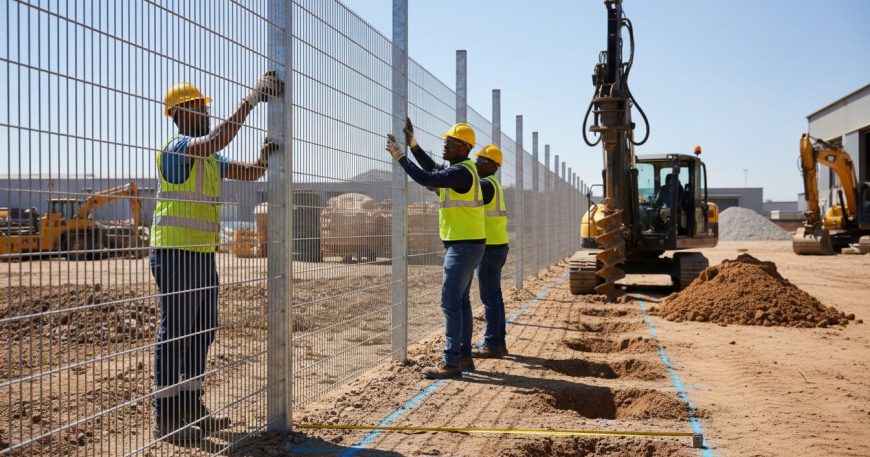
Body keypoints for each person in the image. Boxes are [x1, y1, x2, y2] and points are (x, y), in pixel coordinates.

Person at [151, 72, 283, 443]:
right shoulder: (178, 149)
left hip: (201, 255)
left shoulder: (210, 157)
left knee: (203, 330)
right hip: (174, 253)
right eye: (199, 108)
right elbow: (214, 141)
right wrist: (252, 99)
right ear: (180, 113)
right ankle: (166, 417)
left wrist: (263, 157)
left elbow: (251, 172)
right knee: (175, 331)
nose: (206, 113)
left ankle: (192, 407)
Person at [385, 118, 485, 379]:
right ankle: (464, 357)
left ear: (464, 147)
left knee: (450, 302)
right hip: (468, 244)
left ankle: (451, 363)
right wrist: (414, 145)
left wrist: (400, 156)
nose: (444, 145)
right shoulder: (462, 170)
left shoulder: (460, 172)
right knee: (461, 302)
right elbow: (431, 168)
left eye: (449, 142)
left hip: (463, 246)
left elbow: (425, 176)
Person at [470, 145, 510, 358]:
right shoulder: (494, 184)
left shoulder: (486, 185)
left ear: (492, 165)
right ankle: (498, 341)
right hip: (498, 245)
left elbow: (469, 202)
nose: (476, 163)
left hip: (490, 248)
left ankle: (493, 343)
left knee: (489, 297)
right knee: (494, 295)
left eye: (481, 160)